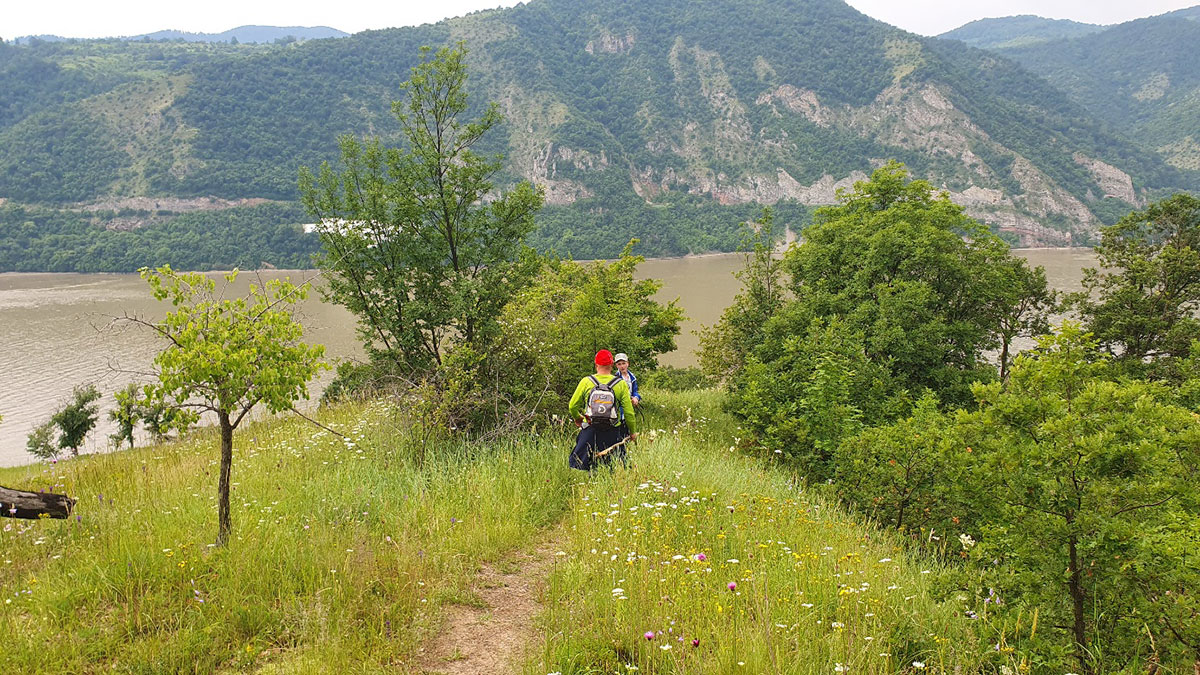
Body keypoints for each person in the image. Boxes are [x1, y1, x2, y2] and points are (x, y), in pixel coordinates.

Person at [568, 349, 638, 471]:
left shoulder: (586, 381)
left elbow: (572, 406)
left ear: (596, 365)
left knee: (582, 464)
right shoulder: (620, 384)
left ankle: (589, 485)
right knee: (616, 466)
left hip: (590, 429)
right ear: (612, 365)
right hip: (613, 431)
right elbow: (629, 413)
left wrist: (578, 418)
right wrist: (632, 432)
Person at [613, 352, 640, 438]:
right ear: (616, 366)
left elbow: (635, 391)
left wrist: (636, 398)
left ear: (628, 363)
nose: (622, 366)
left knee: (629, 428)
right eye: (619, 364)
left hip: (629, 407)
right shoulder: (615, 378)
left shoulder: (632, 377)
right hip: (619, 409)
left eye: (624, 363)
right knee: (620, 431)